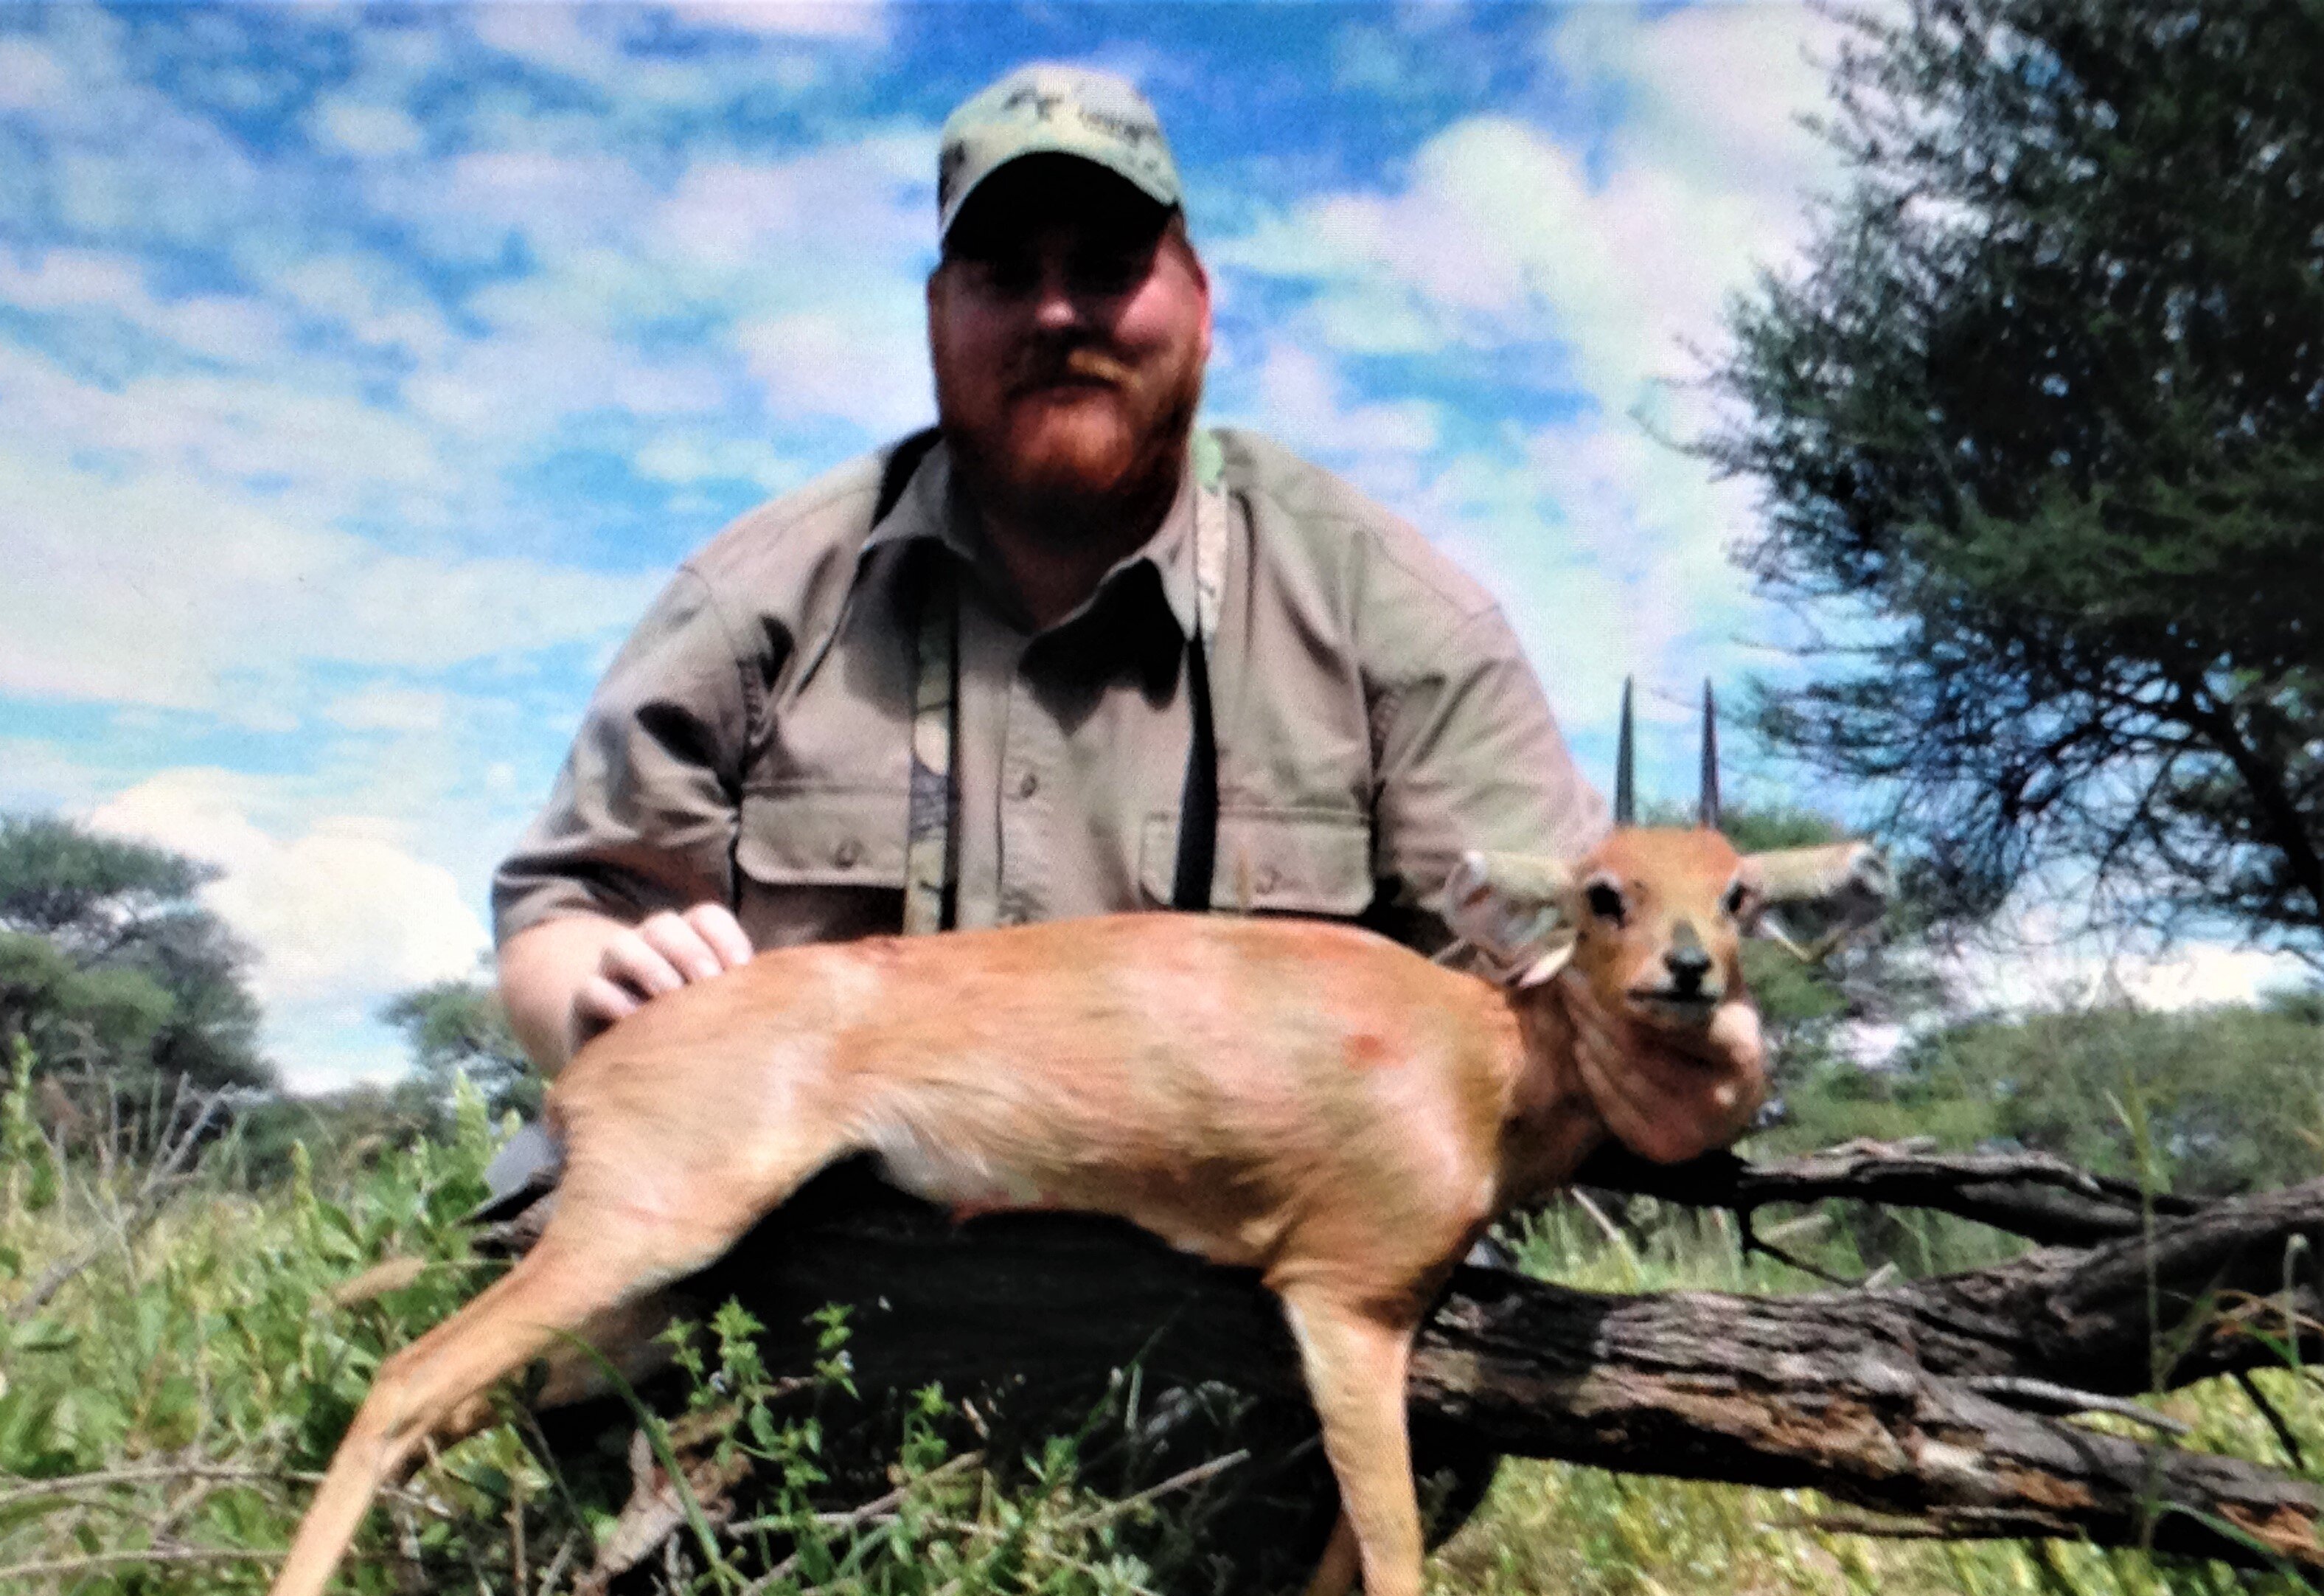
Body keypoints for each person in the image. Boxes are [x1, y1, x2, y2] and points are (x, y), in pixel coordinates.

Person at [493, 63, 1763, 1165]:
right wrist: (588, 995)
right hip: (823, 1276)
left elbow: (1564, 967)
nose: (1058, 315)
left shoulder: (1394, 615)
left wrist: (1687, 1056)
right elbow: (562, 913)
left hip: (1237, 1293)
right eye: (1004, 273)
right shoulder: (760, 600)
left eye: (1107, 270)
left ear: (1200, 309)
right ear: (939, 316)